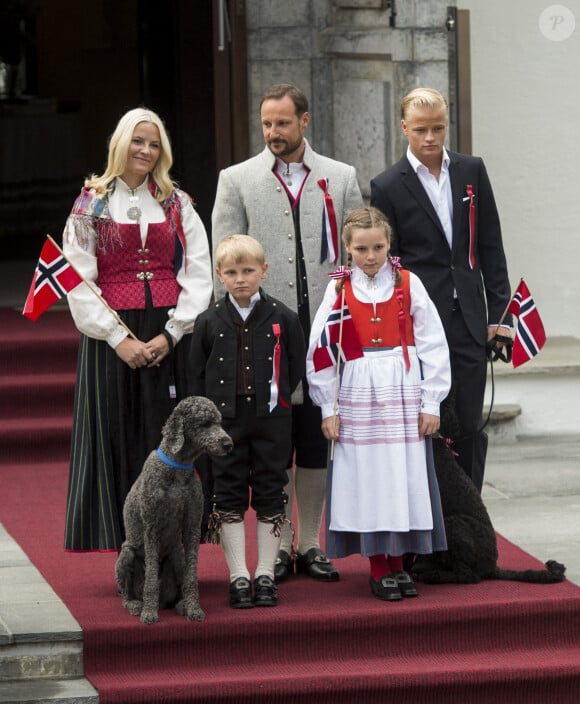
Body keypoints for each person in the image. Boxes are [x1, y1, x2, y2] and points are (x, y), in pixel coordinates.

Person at [211, 83, 363, 583]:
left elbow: (357, 254)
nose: (273, 132)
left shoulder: (340, 177)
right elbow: (224, 260)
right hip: (263, 340)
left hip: (325, 334)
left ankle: (312, 543)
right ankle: (275, 549)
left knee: (317, 439)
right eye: (267, 124)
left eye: (282, 122)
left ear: (304, 120)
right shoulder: (236, 180)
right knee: (273, 448)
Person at [62, 107, 213, 552]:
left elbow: (198, 272)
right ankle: (130, 547)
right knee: (116, 431)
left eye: (154, 144)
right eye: (138, 141)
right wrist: (118, 338)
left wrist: (173, 333)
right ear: (121, 143)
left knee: (166, 435)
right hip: (112, 335)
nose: (146, 151)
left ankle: (174, 549)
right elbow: (77, 277)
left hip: (168, 334)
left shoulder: (176, 201)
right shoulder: (92, 201)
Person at [370, 87, 512, 492]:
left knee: (470, 422)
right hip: (418, 322)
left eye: (438, 128)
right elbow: (389, 262)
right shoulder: (387, 185)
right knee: (426, 420)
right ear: (404, 128)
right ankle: (430, 523)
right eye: (420, 130)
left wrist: (500, 317)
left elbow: (490, 246)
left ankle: (471, 515)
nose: (430, 137)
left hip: (470, 318)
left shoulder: (471, 171)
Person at [306, 207, 451, 601]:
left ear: (389, 245)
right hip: (357, 389)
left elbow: (433, 342)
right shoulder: (338, 286)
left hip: (402, 387)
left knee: (400, 473)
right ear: (348, 248)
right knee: (368, 476)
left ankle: (399, 561)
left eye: (378, 247)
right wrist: (327, 407)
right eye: (361, 249)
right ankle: (378, 565)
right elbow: (320, 350)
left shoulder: (408, 282)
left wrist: (432, 401)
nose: (370, 256)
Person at [190, 235, 305, 608]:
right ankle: (239, 575)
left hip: (272, 419)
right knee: (228, 492)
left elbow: (295, 365)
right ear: (219, 276)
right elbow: (197, 373)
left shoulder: (284, 317)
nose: (241, 278)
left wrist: (278, 398)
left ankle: (266, 574)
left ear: (264, 271)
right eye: (232, 272)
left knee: (273, 490)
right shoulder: (207, 322)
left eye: (249, 271)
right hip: (225, 425)